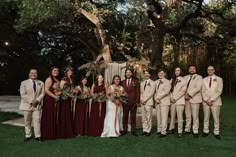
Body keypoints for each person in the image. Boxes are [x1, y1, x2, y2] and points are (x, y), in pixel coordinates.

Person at [19, 68, 45, 142]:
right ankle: (28, 135)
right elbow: (23, 94)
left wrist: (37, 100)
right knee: (27, 121)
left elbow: (43, 93)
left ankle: (38, 136)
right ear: (29, 74)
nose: (33, 74)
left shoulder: (41, 83)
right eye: (32, 73)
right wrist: (31, 101)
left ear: (37, 74)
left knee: (37, 120)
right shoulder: (23, 83)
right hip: (27, 105)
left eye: (35, 73)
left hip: (37, 105)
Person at [202, 66, 223, 140]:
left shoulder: (219, 79)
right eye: (208, 70)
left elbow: (219, 91)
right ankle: (205, 131)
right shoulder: (204, 79)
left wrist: (211, 99)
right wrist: (206, 99)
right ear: (207, 71)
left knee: (216, 118)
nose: (210, 71)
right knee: (206, 117)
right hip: (206, 102)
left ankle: (216, 132)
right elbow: (203, 91)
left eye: (211, 70)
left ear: (214, 71)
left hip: (216, 102)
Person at [41, 66, 60, 140]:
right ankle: (48, 133)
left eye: (57, 71)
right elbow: (46, 90)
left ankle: (53, 132)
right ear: (51, 71)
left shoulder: (56, 79)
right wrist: (55, 97)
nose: (56, 72)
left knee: (53, 115)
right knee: (49, 115)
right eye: (54, 70)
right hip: (49, 99)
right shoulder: (49, 79)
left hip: (54, 98)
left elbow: (57, 89)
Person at [184, 65, 203, 138]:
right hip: (186, 99)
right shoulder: (185, 77)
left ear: (195, 70)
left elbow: (198, 88)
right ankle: (187, 129)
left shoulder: (199, 77)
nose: (192, 70)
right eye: (190, 68)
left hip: (195, 99)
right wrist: (185, 95)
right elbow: (182, 87)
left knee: (195, 116)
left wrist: (189, 95)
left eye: (193, 69)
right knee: (187, 115)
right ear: (189, 70)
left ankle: (195, 130)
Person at [168, 67, 187, 138]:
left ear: (180, 71)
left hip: (180, 101)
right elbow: (169, 90)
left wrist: (175, 98)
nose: (177, 72)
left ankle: (180, 131)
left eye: (178, 70)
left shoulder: (184, 80)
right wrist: (171, 97)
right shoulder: (171, 80)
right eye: (175, 70)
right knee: (172, 116)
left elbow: (183, 91)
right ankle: (171, 128)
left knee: (180, 117)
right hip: (172, 101)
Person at [121, 69, 140, 136]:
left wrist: (137, 101)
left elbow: (138, 92)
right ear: (125, 74)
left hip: (133, 102)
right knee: (125, 116)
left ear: (131, 73)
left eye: (129, 72)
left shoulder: (136, 81)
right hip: (125, 102)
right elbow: (120, 91)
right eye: (127, 72)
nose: (128, 73)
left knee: (133, 117)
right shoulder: (122, 82)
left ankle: (133, 130)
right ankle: (124, 129)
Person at [58, 67, 75, 138]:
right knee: (65, 114)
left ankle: (69, 131)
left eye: (71, 71)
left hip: (69, 99)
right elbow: (60, 89)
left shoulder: (72, 79)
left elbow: (72, 89)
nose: (70, 72)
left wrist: (73, 92)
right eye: (69, 71)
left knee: (69, 114)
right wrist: (66, 94)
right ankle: (63, 132)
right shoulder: (64, 79)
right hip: (64, 99)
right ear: (66, 72)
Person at [154, 70, 171, 138]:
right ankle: (159, 129)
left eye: (162, 73)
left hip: (164, 101)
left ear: (164, 74)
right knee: (158, 116)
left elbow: (166, 92)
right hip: (157, 102)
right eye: (159, 73)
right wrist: (155, 98)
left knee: (164, 117)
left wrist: (158, 97)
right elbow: (154, 91)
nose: (160, 74)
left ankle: (163, 132)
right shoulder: (156, 82)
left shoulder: (168, 82)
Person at [140, 71, 155, 136]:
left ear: (149, 75)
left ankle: (149, 130)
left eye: (147, 73)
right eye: (145, 73)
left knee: (149, 117)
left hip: (148, 102)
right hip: (142, 102)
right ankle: (144, 130)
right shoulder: (142, 83)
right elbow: (141, 92)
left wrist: (145, 100)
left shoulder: (153, 83)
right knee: (144, 117)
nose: (146, 74)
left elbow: (151, 93)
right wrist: (141, 99)